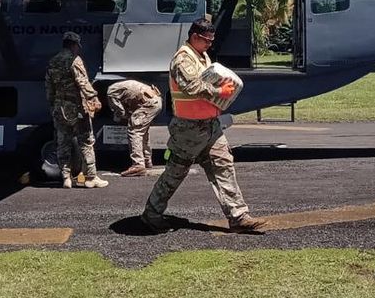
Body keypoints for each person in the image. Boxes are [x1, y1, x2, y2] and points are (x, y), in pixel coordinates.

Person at [141, 18, 266, 233]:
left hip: (210, 126)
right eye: (207, 41)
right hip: (188, 129)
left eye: (211, 41)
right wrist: (220, 92)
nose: (210, 45)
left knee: (224, 166)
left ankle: (238, 216)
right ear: (195, 37)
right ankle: (152, 214)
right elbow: (192, 86)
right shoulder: (182, 60)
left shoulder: (201, 56)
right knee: (175, 172)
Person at [45, 32, 108, 189]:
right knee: (86, 141)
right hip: (76, 108)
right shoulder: (74, 60)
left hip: (59, 108)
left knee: (63, 143)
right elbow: (83, 83)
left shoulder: (53, 61)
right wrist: (94, 98)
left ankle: (66, 178)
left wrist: (53, 104)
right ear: (74, 45)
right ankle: (91, 177)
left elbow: (49, 87)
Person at [106, 79, 163, 176]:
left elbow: (120, 111)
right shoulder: (121, 87)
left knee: (134, 130)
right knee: (143, 131)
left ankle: (138, 165)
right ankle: (146, 160)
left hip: (148, 103)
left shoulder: (111, 92)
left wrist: (119, 117)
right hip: (155, 101)